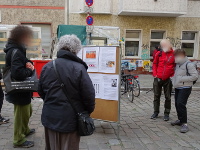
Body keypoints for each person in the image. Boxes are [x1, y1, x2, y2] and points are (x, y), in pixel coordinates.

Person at [38, 35, 95, 150]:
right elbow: (89, 96)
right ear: (76, 50)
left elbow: (40, 90)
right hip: (70, 119)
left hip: (50, 117)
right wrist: (86, 111)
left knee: (51, 146)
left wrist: (51, 102)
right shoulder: (79, 68)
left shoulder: (48, 66)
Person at [4, 25, 35, 148]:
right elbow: (17, 73)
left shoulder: (17, 49)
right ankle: (18, 139)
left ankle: (25, 130)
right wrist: (30, 71)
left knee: (28, 110)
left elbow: (25, 61)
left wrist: (29, 64)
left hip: (21, 89)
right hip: (18, 89)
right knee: (20, 114)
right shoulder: (16, 51)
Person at [171, 49, 198, 133]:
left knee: (181, 104)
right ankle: (180, 119)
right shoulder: (178, 64)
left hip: (185, 87)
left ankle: (184, 124)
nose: (175, 58)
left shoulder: (189, 64)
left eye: (176, 56)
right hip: (178, 87)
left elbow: (195, 76)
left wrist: (181, 79)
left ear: (182, 56)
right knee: (177, 104)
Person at [151, 39, 175, 121]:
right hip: (158, 78)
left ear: (169, 45)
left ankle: (166, 113)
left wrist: (173, 75)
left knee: (168, 97)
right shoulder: (159, 53)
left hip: (168, 79)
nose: (164, 47)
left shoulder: (174, 54)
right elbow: (154, 64)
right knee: (156, 96)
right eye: (162, 45)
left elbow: (177, 66)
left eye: (165, 45)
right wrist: (155, 74)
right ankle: (156, 112)